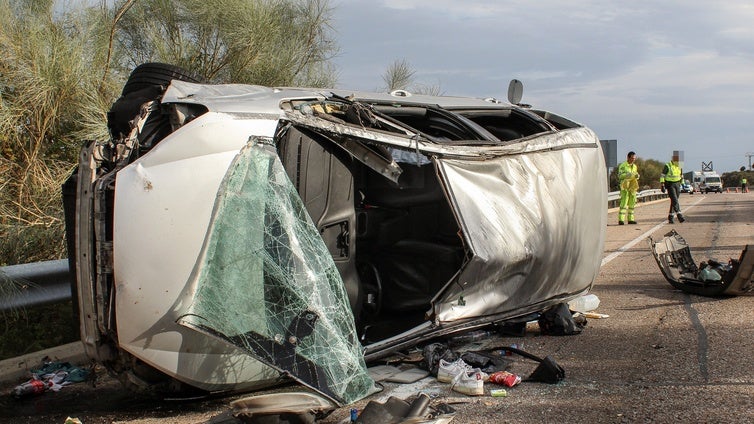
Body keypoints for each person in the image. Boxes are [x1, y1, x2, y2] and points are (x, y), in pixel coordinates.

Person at [660, 152, 685, 224]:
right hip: (670, 185)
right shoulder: (668, 165)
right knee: (675, 200)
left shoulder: (679, 166)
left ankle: (670, 217)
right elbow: (662, 176)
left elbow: (681, 175)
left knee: (674, 201)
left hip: (677, 184)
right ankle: (679, 215)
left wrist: (682, 184)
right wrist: (662, 185)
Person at [617, 151, 639, 225]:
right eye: (632, 158)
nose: (633, 159)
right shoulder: (623, 166)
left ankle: (630, 219)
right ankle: (621, 220)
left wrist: (637, 176)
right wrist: (627, 175)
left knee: (632, 202)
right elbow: (620, 176)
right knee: (624, 202)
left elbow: (635, 174)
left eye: (634, 158)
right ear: (628, 157)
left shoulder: (635, 166)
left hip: (632, 186)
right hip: (625, 186)